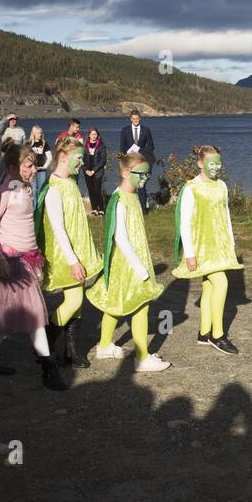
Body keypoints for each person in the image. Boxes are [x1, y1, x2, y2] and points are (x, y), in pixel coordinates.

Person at [0, 144, 65, 389]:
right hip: (10, 262)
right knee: (36, 315)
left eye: (34, 164)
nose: (33, 169)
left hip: (26, 260)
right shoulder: (6, 191)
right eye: (28, 165)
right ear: (12, 167)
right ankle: (49, 368)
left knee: (7, 318)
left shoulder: (24, 188)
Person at [87, 153, 168, 371]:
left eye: (147, 174)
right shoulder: (119, 199)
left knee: (115, 302)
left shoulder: (131, 196)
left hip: (129, 261)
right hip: (128, 263)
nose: (145, 178)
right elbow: (120, 237)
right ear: (125, 173)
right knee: (141, 304)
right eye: (141, 174)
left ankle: (104, 346)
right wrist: (140, 268)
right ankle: (142, 358)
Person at [39, 137, 103, 369]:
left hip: (78, 252)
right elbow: (58, 229)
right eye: (78, 158)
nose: (81, 163)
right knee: (74, 300)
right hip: (66, 256)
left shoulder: (72, 184)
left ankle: (71, 351)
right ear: (63, 157)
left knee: (76, 304)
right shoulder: (54, 190)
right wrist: (73, 261)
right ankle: (43, 345)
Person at [172, 145, 243, 354]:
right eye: (211, 164)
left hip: (220, 245)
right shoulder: (191, 188)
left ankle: (204, 332)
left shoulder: (221, 185)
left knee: (209, 286)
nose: (216, 168)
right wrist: (190, 254)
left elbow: (226, 213)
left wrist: (230, 240)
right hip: (202, 246)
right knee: (221, 282)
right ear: (200, 163)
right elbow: (184, 223)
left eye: (218, 163)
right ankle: (217, 335)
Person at [118, 111, 154, 211]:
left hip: (141, 162)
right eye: (133, 119)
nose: (135, 121)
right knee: (129, 185)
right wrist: (123, 162)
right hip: (129, 163)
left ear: (140, 118)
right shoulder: (125, 130)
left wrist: (139, 149)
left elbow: (151, 147)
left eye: (137, 119)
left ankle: (143, 209)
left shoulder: (146, 130)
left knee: (141, 185)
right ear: (130, 119)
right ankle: (128, 207)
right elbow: (122, 147)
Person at [83, 128, 107, 215]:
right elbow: (82, 160)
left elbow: (103, 161)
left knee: (97, 190)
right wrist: (86, 170)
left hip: (97, 172)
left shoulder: (101, 146)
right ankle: (94, 209)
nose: (94, 136)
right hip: (87, 172)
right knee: (91, 191)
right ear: (89, 135)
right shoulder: (85, 146)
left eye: (95, 134)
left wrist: (93, 171)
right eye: (92, 134)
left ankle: (101, 209)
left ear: (98, 135)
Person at [27, 126, 51, 196]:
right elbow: (25, 158)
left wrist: (44, 167)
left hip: (41, 170)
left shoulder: (44, 144)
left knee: (42, 190)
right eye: (37, 133)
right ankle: (34, 206)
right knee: (33, 190)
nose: (40, 135)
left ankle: (40, 206)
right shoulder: (29, 144)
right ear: (33, 134)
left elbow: (49, 158)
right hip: (31, 170)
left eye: (40, 133)